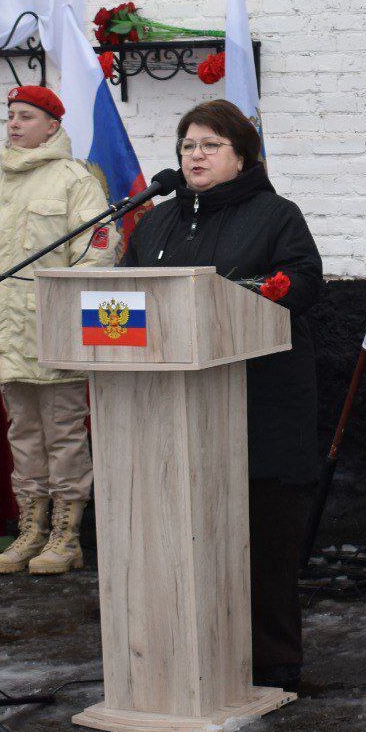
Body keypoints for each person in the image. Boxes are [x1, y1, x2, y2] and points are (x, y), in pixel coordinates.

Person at [120, 99, 323, 692]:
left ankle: (273, 662)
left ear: (241, 156)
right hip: (169, 414)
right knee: (182, 541)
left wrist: (252, 294)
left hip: (258, 409)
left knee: (264, 543)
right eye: (187, 146)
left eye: (210, 145)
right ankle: (184, 652)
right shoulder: (154, 223)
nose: (195, 156)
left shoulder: (276, 215)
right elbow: (130, 302)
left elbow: (303, 284)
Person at [0, 85, 115, 576]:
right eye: (10, 116)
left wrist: (67, 320)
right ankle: (31, 530)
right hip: (1, 336)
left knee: (64, 437)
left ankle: (67, 535)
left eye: (26, 116)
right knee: (22, 436)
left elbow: (97, 253)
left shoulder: (74, 182)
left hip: (53, 334)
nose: (15, 124)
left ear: (52, 125)